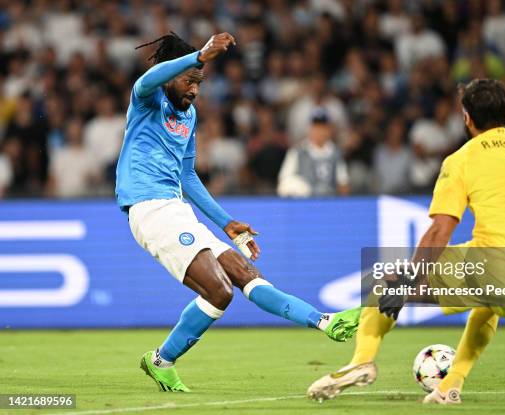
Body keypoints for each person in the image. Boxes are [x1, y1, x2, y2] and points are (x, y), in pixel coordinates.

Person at [307, 79, 505, 404]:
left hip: (496, 268)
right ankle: (449, 386)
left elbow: (441, 229)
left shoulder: (463, 159)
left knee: (385, 282)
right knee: (487, 306)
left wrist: (409, 279)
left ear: (466, 117)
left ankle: (361, 362)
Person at [115, 32, 361, 393]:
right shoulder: (147, 101)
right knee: (219, 291)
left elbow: (186, 175)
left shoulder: (189, 116)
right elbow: (145, 79)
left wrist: (226, 222)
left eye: (199, 83)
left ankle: (324, 321)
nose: (195, 90)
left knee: (244, 273)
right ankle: (161, 360)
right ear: (172, 76)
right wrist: (199, 55)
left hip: (178, 209)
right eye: (189, 81)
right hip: (149, 210)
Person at [277, 107, 349, 197]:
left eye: (322, 127)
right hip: (305, 205)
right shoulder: (297, 152)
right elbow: (284, 180)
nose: (319, 131)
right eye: (316, 127)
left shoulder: (336, 153)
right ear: (310, 129)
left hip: (329, 203)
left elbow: (343, 183)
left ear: (329, 130)